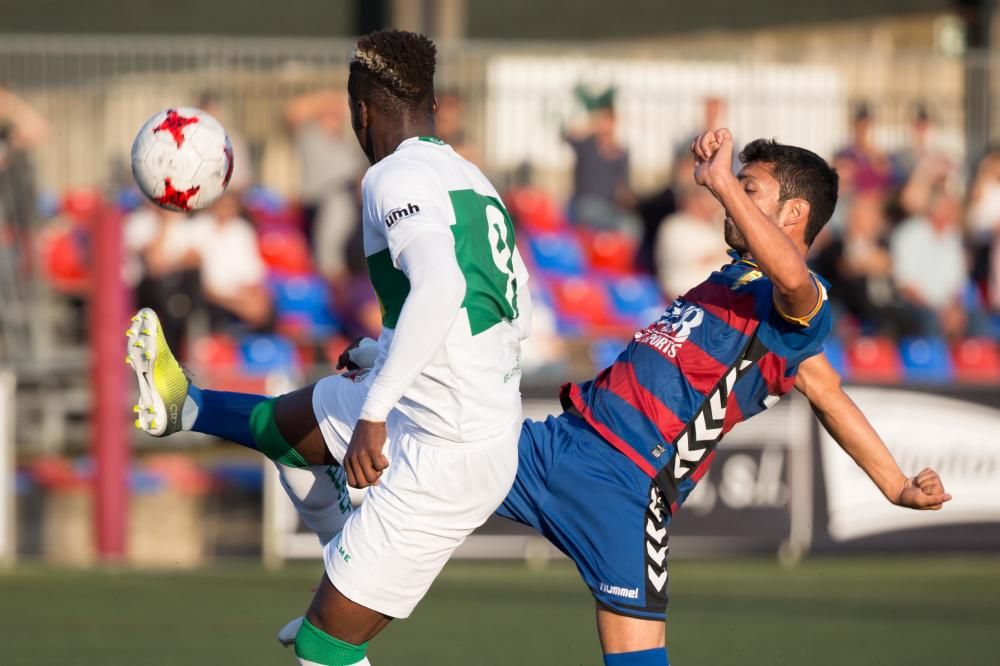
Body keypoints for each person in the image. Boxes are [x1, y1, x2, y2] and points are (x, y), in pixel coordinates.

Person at [274, 132, 950, 665]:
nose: (730, 196)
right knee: (388, 425)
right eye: (733, 183)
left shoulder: (801, 303)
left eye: (750, 188)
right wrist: (893, 483)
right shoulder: (737, 285)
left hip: (628, 492)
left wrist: (717, 182)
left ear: (793, 213)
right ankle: (326, 564)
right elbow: (829, 392)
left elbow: (799, 292)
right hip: (552, 445)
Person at [127, 30, 531, 666]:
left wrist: (376, 411)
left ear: (359, 112)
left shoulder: (392, 177)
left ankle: (344, 587)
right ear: (429, 103)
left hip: (444, 453)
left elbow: (443, 285)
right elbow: (500, 309)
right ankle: (186, 406)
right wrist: (387, 355)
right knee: (290, 429)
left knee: (322, 647)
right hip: (452, 416)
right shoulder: (471, 179)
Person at [284, 88, 367, 285]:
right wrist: (327, 101)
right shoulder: (310, 135)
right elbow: (292, 113)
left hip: (352, 207)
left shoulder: (349, 141)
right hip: (322, 204)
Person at [891, 189, 976, 338]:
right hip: (915, 306)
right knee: (930, 321)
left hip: (947, 308)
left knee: (978, 319)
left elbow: (959, 283)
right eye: (949, 207)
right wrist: (938, 312)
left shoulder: (954, 237)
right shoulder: (908, 234)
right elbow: (905, 285)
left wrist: (954, 310)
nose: (954, 212)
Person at [563, 86, 641, 239]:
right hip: (585, 204)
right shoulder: (586, 145)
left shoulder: (621, 153)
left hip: (609, 208)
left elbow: (622, 187)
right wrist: (592, 124)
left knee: (632, 226)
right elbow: (567, 134)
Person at [653, 156, 728, 299]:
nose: (712, 205)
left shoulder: (715, 227)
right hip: (686, 294)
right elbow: (690, 262)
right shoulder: (674, 226)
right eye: (707, 199)